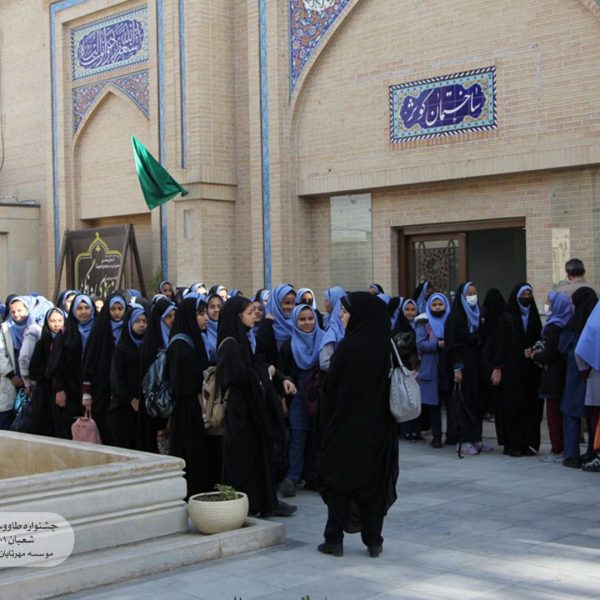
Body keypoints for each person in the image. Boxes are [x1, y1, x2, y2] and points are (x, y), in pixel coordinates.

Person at [317, 292, 398, 558]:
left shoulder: (348, 347)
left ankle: (334, 539)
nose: (342, 316)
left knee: (340, 481)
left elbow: (331, 386)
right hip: (378, 428)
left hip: (346, 427)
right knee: (373, 483)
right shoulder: (385, 347)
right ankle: (374, 541)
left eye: (346, 311)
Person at [217, 295, 296, 517]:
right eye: (250, 312)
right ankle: (244, 504)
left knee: (258, 456)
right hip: (240, 412)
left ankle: (265, 501)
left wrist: (276, 375)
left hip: (252, 410)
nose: (254, 316)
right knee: (242, 458)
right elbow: (239, 377)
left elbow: (254, 366)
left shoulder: (243, 340)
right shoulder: (230, 345)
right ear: (237, 316)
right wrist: (264, 373)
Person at [168, 297, 219, 498]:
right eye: (200, 314)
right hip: (187, 410)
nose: (206, 318)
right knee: (190, 453)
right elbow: (181, 383)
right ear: (189, 316)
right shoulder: (181, 345)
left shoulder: (192, 339)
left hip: (194, 407)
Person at [491, 283, 542, 457]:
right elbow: (500, 344)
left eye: (529, 294)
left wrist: (533, 350)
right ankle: (512, 444)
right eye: (523, 294)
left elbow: (539, 338)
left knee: (530, 407)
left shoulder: (534, 316)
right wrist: (498, 366)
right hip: (511, 370)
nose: (526, 298)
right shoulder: (507, 318)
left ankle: (528, 442)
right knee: (512, 407)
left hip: (530, 371)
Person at [278, 304, 323, 496]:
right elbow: (283, 371)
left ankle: (313, 476)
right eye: (302, 319)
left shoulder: (323, 341)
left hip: (319, 396)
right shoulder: (289, 345)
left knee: (316, 435)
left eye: (310, 318)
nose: (307, 323)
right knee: (298, 435)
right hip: (297, 397)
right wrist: (286, 384)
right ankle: (292, 476)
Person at [445, 282, 489, 455]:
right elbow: (452, 344)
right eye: (469, 294)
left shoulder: (479, 314)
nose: (472, 297)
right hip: (462, 365)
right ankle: (462, 440)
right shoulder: (455, 317)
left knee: (476, 401)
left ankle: (476, 438)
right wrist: (456, 368)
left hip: (476, 365)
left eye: (474, 293)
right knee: (464, 402)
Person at [81, 292, 129, 445]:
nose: (117, 313)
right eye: (113, 309)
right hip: (102, 389)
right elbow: (89, 361)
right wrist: (86, 393)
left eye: (120, 309)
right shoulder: (99, 330)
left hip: (124, 391)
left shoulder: (130, 329)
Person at [531, 291, 572, 462]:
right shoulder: (568, 322)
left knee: (553, 414)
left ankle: (557, 450)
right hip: (564, 374)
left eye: (549, 303)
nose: (546, 305)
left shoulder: (553, 327)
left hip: (553, 376)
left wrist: (534, 355)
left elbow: (549, 353)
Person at [559, 287, 598, 468]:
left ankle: (571, 454)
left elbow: (563, 346)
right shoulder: (595, 320)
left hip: (577, 373)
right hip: (594, 374)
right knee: (593, 416)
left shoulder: (574, 323)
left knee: (571, 413)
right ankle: (593, 451)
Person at [48, 294, 96, 439]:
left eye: (87, 307)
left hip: (94, 387)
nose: (83, 311)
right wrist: (59, 389)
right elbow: (56, 363)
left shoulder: (99, 331)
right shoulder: (65, 332)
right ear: (73, 310)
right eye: (79, 308)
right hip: (70, 390)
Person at [139, 297, 176, 453]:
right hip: (155, 406)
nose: (172, 320)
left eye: (174, 316)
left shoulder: (175, 339)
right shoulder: (151, 345)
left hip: (171, 405)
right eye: (168, 317)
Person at [109, 306, 148, 449]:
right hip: (123, 408)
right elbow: (117, 378)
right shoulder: (122, 349)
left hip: (144, 407)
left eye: (144, 321)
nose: (142, 324)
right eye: (137, 321)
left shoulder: (148, 346)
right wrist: (130, 398)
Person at [416, 293, 450, 449]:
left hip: (447, 367)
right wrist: (437, 345)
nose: (437, 308)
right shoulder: (423, 323)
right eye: (434, 305)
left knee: (451, 403)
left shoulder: (450, 320)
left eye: (440, 304)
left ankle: (453, 435)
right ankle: (437, 436)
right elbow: (420, 344)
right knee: (434, 405)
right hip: (431, 368)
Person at [28, 307, 65, 436]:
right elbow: (33, 369)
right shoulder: (42, 342)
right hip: (45, 391)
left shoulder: (68, 341)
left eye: (60, 320)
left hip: (63, 390)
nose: (56, 324)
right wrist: (48, 373)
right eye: (52, 321)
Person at [575, 299, 600, 472]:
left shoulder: (595, 321)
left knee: (595, 417)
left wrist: (584, 371)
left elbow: (582, 348)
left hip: (595, 374)